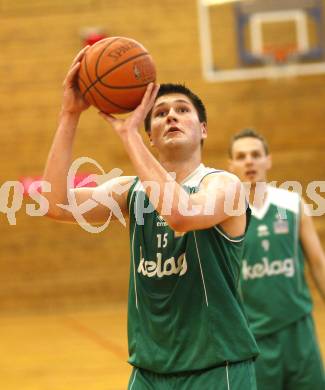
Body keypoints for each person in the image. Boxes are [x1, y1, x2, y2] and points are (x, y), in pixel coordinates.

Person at [43, 47, 259, 389]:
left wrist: (127, 135)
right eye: (159, 114)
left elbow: (181, 214)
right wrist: (69, 114)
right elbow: (54, 204)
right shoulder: (130, 192)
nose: (171, 116)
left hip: (217, 368)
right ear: (150, 136)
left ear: (203, 129)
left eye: (182, 110)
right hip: (148, 369)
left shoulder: (223, 185)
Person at [229, 128, 325, 390]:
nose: (249, 161)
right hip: (252, 337)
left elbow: (318, 262)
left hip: (299, 330)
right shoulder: (225, 213)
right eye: (241, 156)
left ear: (268, 160)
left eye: (256, 154)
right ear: (231, 165)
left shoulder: (293, 203)